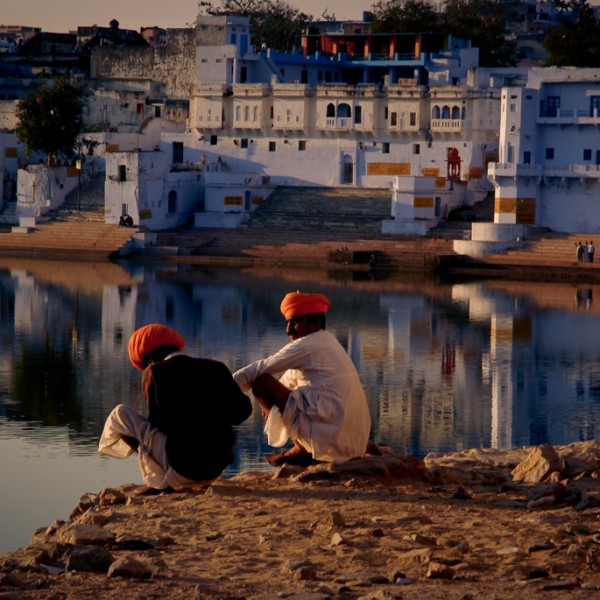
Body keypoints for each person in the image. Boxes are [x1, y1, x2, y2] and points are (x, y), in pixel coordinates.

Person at [99, 324, 252, 492]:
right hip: (215, 469)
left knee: (120, 414)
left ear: (150, 358)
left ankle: (162, 479)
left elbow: (158, 424)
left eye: (145, 364)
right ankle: (179, 477)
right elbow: (242, 412)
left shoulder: (154, 372)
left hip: (183, 468)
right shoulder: (217, 367)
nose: (146, 368)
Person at [233, 291, 371, 467]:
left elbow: (259, 370)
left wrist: (220, 389)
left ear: (314, 324)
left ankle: (302, 448)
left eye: (295, 322)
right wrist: (271, 404)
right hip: (351, 444)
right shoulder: (326, 341)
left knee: (261, 384)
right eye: (288, 322)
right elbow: (289, 379)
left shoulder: (308, 345)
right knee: (272, 388)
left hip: (332, 438)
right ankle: (305, 445)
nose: (288, 329)